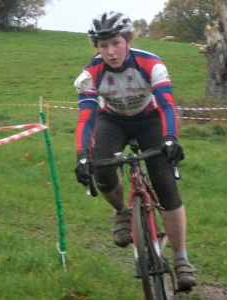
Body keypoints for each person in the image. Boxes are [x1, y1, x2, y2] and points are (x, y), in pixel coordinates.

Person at [74, 11, 196, 290]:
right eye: (103, 46)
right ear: (97, 48)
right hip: (112, 120)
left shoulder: (150, 63)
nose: (110, 51)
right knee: (101, 169)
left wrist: (170, 139)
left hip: (150, 120)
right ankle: (122, 212)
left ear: (128, 40)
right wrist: (82, 153)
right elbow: (86, 118)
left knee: (165, 184)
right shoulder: (90, 74)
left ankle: (181, 258)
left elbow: (167, 104)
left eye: (116, 43)